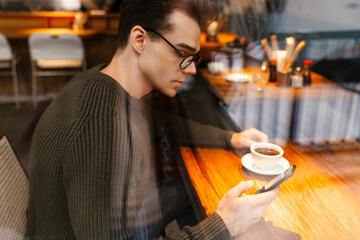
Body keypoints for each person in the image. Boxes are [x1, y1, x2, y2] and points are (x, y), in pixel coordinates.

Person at [27, 0, 279, 239]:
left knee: (188, 194)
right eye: (182, 52)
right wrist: (222, 225)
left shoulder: (103, 83)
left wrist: (231, 138)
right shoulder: (99, 124)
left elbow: (166, 124)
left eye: (194, 57)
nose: (191, 69)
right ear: (140, 39)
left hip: (120, 222)